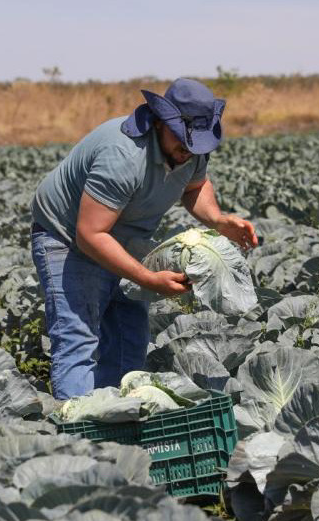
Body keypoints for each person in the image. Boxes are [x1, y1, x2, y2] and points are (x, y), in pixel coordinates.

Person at [28, 78, 258, 400]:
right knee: (78, 341)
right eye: (183, 142)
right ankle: (78, 438)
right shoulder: (122, 155)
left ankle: (119, 429)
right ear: (162, 122)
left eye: (197, 147)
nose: (189, 153)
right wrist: (149, 278)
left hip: (127, 239)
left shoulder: (190, 149)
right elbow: (90, 235)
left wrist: (217, 220)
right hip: (68, 240)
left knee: (129, 340)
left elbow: (195, 186)